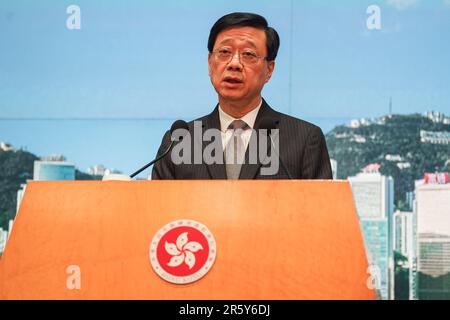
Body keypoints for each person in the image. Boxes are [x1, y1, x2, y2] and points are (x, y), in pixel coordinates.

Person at [152, 12, 332, 180]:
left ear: (269, 70)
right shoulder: (179, 141)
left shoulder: (304, 139)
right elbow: (160, 210)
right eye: (224, 53)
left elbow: (320, 210)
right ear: (210, 63)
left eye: (248, 54)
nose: (234, 64)